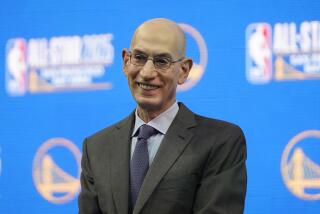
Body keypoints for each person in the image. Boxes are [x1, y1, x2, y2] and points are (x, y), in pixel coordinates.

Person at [78, 18, 247, 214]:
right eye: (139, 57)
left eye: (161, 61)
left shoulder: (221, 141)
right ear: (125, 61)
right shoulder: (96, 147)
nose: (147, 72)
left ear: (184, 71)